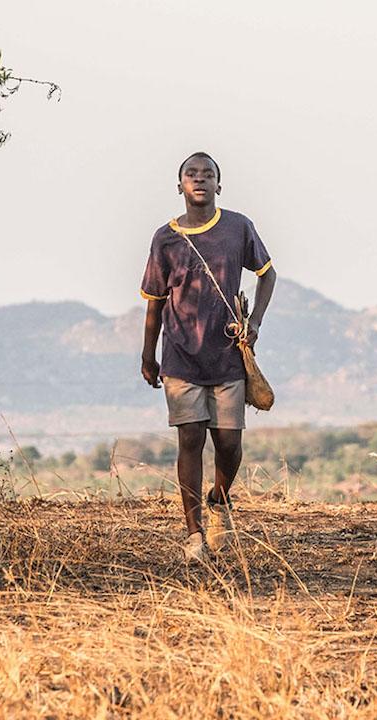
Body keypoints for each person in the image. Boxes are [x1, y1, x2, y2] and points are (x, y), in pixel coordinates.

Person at [139, 151, 277, 562]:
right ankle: (195, 533)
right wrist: (149, 355)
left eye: (208, 174)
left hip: (227, 353)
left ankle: (219, 499)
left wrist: (256, 324)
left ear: (220, 184)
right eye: (191, 174)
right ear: (179, 185)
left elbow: (267, 274)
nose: (199, 179)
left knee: (229, 443)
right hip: (180, 354)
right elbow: (154, 302)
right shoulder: (165, 238)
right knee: (190, 438)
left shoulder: (238, 228)